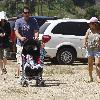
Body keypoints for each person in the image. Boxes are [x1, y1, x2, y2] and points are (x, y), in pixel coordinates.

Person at [14, 6, 39, 77]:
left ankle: (29, 72)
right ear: (23, 13)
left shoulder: (33, 20)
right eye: (25, 13)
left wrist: (36, 36)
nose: (27, 14)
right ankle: (21, 74)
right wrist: (21, 37)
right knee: (20, 59)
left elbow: (36, 30)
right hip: (21, 44)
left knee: (30, 59)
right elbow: (16, 32)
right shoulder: (18, 21)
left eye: (28, 13)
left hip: (30, 44)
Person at [83, 17, 100, 82]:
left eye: (91, 23)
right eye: (89, 23)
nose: (90, 24)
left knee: (97, 63)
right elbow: (85, 37)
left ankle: (98, 77)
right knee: (90, 63)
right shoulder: (89, 30)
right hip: (90, 49)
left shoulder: (99, 31)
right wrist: (84, 44)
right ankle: (90, 77)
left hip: (97, 49)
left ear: (95, 24)